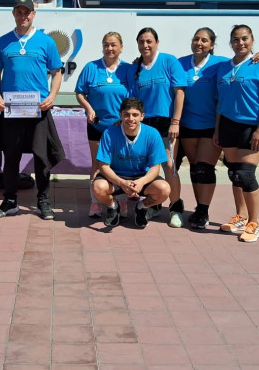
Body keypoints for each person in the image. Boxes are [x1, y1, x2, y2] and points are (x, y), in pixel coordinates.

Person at [178, 27, 259, 230]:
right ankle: (201, 209)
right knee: (195, 169)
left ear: (212, 45)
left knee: (204, 168)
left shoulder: (221, 64)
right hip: (188, 124)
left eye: (204, 40)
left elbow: (243, 62)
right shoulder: (180, 63)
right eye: (196, 39)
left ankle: (205, 210)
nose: (199, 43)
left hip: (213, 124)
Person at [0, 0, 65, 220]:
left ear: (34, 14)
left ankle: (43, 200)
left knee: (41, 157)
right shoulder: (2, 42)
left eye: (27, 12)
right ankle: (10, 200)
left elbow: (57, 72)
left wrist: (52, 96)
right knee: (11, 156)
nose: (23, 16)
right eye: (19, 12)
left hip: (39, 109)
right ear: (14, 14)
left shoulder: (46, 42)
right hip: (11, 110)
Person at [214, 24, 259, 242]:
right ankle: (241, 217)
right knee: (234, 173)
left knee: (246, 174)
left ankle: (255, 222)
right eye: (236, 39)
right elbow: (220, 102)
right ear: (230, 43)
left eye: (244, 38)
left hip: (252, 126)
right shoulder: (223, 67)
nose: (240, 43)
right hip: (227, 124)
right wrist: (217, 129)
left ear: (252, 40)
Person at [128, 27, 188, 227]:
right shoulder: (135, 69)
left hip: (166, 122)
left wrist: (175, 122)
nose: (145, 45)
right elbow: (133, 100)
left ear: (157, 42)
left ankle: (175, 208)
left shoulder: (169, 61)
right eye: (141, 42)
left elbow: (179, 93)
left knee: (169, 166)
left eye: (149, 41)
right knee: (148, 167)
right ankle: (153, 204)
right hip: (145, 124)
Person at [75, 31, 132, 218]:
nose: (110, 48)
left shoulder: (128, 70)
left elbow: (133, 98)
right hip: (97, 125)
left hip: (120, 128)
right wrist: (89, 109)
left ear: (121, 47)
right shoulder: (91, 68)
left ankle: (121, 201)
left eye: (114, 44)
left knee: (119, 165)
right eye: (106, 44)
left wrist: (124, 117)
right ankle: (95, 202)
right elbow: (80, 93)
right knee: (98, 164)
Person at [93, 97, 171, 228]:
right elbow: (103, 166)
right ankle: (113, 206)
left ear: (142, 116)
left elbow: (155, 168)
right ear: (120, 115)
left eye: (135, 115)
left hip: (141, 177)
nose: (130, 119)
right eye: (126, 115)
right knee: (97, 187)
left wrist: (141, 182)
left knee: (164, 189)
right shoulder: (109, 133)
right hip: (116, 176)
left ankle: (141, 207)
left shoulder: (152, 134)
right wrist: (122, 183)